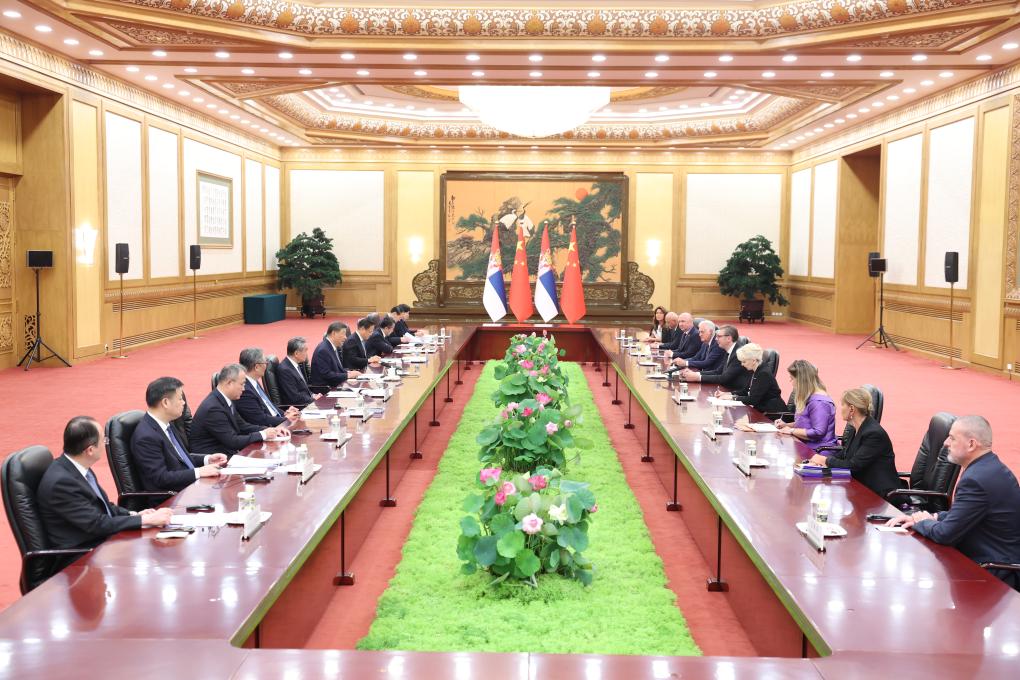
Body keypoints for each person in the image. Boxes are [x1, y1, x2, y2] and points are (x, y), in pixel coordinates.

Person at [886, 416, 1020, 591]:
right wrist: (934, 516)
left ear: (971, 444)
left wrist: (921, 521)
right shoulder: (989, 468)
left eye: (952, 438)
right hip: (993, 561)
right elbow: (966, 513)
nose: (946, 443)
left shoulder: (976, 479)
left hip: (993, 574)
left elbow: (945, 534)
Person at [39, 416, 173, 550]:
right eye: (104, 440)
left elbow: (102, 506)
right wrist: (147, 520)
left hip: (100, 541)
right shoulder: (61, 483)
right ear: (90, 450)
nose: (105, 443)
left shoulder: (77, 467)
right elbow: (97, 524)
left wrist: (134, 515)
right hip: (83, 553)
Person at [131, 377, 229, 491]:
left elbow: (179, 458)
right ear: (165, 402)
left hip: (190, 486)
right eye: (180, 399)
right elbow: (161, 478)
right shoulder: (146, 437)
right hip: (174, 496)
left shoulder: (167, 424)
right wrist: (199, 472)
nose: (183, 403)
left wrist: (207, 459)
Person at [808, 388, 900, 498]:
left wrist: (826, 460)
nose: (840, 408)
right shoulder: (856, 428)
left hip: (881, 495)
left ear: (852, 409)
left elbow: (854, 466)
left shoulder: (873, 434)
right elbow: (845, 454)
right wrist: (820, 462)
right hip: (862, 487)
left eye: (843, 405)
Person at [189, 364, 281, 457]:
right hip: (214, 458)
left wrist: (270, 430)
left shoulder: (225, 399)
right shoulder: (213, 408)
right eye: (242, 384)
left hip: (226, 452)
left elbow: (242, 426)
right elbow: (232, 441)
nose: (244, 388)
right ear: (229, 383)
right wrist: (262, 435)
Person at [775, 360, 837, 453]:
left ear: (801, 381)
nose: (790, 381)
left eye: (792, 378)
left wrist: (791, 430)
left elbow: (818, 432)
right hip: (805, 445)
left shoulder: (819, 403)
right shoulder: (809, 396)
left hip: (818, 451)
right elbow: (806, 423)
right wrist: (786, 425)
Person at [236, 348, 301, 427]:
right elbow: (259, 419)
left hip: (276, 421)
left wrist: (285, 413)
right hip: (270, 428)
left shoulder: (253, 381)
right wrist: (285, 419)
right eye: (265, 363)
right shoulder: (244, 390)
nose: (266, 366)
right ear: (256, 367)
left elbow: (269, 406)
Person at [717, 343, 785, 413]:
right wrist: (728, 394)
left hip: (772, 412)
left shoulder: (763, 373)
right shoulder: (755, 369)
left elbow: (752, 400)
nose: (742, 364)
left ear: (753, 360)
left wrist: (732, 397)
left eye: (744, 362)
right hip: (761, 408)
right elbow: (745, 391)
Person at [681, 325, 748, 390]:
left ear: (729, 338)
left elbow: (724, 378)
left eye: (719, 336)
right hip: (725, 389)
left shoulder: (737, 354)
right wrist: (694, 374)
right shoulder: (729, 350)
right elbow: (717, 372)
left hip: (733, 391)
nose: (716, 339)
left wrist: (698, 377)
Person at [311, 322, 362, 388]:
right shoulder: (323, 350)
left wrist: (349, 373)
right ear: (334, 333)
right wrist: (348, 375)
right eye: (343, 334)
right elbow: (326, 375)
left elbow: (336, 369)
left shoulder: (332, 347)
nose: (345, 337)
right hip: (326, 388)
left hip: (334, 384)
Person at [277, 337, 321, 407]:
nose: (306, 354)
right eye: (305, 350)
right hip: (298, 407)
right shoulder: (285, 370)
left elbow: (303, 389)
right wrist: (313, 400)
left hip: (306, 402)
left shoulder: (295, 364)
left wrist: (313, 395)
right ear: (296, 353)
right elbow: (294, 396)